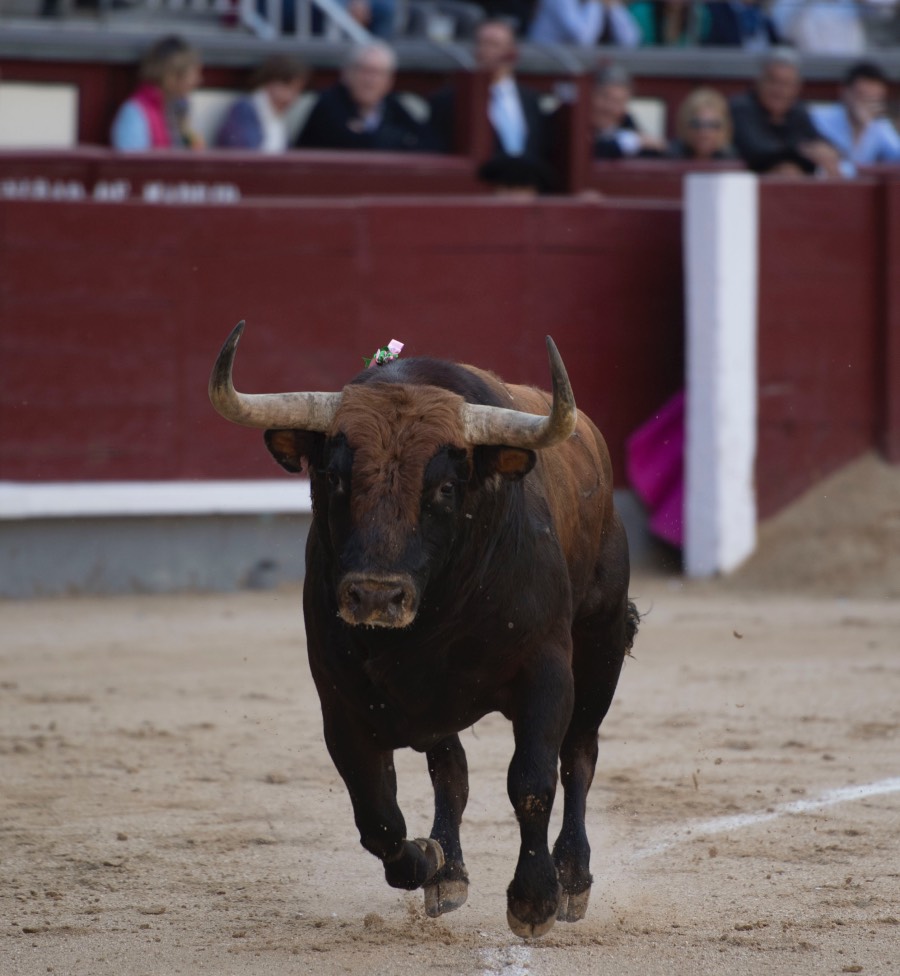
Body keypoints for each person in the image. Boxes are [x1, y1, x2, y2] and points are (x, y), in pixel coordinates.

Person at [428, 19, 552, 168]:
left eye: (494, 45)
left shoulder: (531, 99)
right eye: (480, 43)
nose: (484, 51)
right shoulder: (450, 99)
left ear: (512, 53)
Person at [295, 42, 435, 152]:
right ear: (347, 74)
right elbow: (351, 145)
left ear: (389, 81)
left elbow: (428, 142)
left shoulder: (393, 105)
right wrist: (400, 138)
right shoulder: (328, 103)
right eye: (364, 71)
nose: (370, 81)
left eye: (378, 73)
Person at [729, 48, 841, 176]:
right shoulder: (741, 108)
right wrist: (803, 150)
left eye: (786, 84)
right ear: (758, 82)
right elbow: (758, 149)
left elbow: (818, 141)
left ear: (797, 88)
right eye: (773, 81)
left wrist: (825, 151)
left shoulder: (797, 111)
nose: (779, 91)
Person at [110, 35, 203, 151]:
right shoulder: (135, 111)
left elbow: (195, 155)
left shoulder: (179, 110)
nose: (197, 80)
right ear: (171, 77)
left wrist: (185, 131)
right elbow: (131, 160)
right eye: (192, 74)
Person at [810, 62, 900, 177]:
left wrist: (864, 127)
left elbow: (896, 156)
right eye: (862, 96)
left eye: (874, 99)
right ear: (844, 91)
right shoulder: (818, 118)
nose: (868, 104)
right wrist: (859, 129)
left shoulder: (879, 125)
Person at [215, 55, 308, 152]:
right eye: (288, 87)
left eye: (297, 91)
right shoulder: (244, 109)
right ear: (270, 81)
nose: (291, 97)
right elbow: (242, 152)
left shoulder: (278, 118)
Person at [590, 64, 666, 159]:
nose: (611, 108)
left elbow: (655, 148)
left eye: (619, 102)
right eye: (605, 98)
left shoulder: (627, 124)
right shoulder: (576, 124)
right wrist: (628, 143)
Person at [528, 0, 642, 46]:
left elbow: (631, 40)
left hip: (571, 64)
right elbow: (584, 38)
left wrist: (614, 8)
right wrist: (595, 2)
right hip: (543, 63)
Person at [668, 87, 735, 160]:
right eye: (697, 124)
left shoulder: (733, 159)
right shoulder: (670, 156)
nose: (704, 133)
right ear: (684, 126)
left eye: (712, 125)